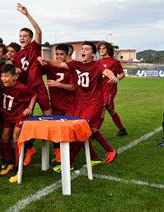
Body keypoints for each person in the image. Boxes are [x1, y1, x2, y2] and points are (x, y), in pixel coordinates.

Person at [38, 41, 118, 169]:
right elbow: (58, 63)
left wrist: (113, 76)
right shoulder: (75, 64)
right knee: (88, 130)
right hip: (80, 103)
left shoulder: (96, 65)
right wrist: (45, 59)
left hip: (93, 103)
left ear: (92, 54)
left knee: (79, 129)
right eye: (82, 49)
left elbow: (106, 71)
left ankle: (68, 164)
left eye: (86, 49)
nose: (83, 51)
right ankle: (100, 155)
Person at [13, 3, 52, 166]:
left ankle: (56, 151)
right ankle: (29, 148)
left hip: (38, 87)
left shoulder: (34, 49)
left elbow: (39, 31)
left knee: (49, 118)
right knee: (23, 122)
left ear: (30, 39)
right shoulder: (16, 56)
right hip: (26, 92)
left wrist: (27, 14)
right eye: (20, 36)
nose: (22, 38)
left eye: (25, 36)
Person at [0, 64, 36, 183]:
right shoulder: (1, 85)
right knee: (3, 137)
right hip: (7, 115)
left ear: (15, 77)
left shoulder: (21, 88)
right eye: (2, 76)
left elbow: (34, 94)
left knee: (16, 136)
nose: (4, 79)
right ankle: (8, 162)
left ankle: (18, 167)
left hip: (19, 115)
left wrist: (29, 107)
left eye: (7, 76)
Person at [39, 44, 77, 165]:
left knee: (69, 131)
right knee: (55, 130)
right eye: (57, 54)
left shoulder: (72, 67)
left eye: (62, 54)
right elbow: (37, 70)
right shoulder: (50, 66)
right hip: (55, 104)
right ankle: (58, 152)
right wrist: (38, 60)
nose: (59, 57)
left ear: (67, 55)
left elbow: (74, 87)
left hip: (70, 105)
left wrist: (58, 84)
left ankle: (72, 153)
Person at [97, 42, 127, 136]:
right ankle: (122, 129)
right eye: (100, 49)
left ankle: (94, 131)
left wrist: (116, 79)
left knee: (102, 108)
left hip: (109, 90)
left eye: (103, 48)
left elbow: (122, 74)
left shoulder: (114, 62)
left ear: (108, 50)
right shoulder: (97, 62)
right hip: (99, 91)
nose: (101, 50)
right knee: (111, 109)